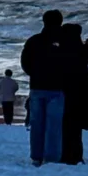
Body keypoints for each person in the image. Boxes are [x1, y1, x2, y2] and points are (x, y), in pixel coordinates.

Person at [20, 9, 65, 166]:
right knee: (53, 126)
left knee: (37, 124)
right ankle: (51, 158)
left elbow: (25, 63)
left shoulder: (33, 40)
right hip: (57, 88)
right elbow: (71, 64)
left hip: (37, 86)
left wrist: (35, 73)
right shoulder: (64, 41)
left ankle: (36, 156)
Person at [59, 24, 88, 165]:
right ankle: (76, 155)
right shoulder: (79, 49)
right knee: (76, 128)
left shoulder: (62, 49)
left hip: (63, 92)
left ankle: (64, 153)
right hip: (80, 92)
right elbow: (85, 59)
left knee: (64, 125)